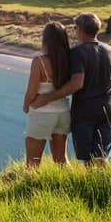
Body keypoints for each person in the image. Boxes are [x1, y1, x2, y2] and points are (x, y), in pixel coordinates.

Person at [31, 12, 111, 167]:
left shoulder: (78, 52)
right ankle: (101, 188)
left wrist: (47, 97)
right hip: (109, 109)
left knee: (89, 160)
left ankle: (90, 189)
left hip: (85, 111)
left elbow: (76, 84)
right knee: (101, 157)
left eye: (75, 27)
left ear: (80, 30)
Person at [22, 22, 71, 168]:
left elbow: (31, 92)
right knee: (61, 160)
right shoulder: (70, 59)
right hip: (63, 113)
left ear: (46, 40)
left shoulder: (39, 62)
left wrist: (26, 107)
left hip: (42, 114)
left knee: (32, 164)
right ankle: (71, 187)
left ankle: (29, 190)